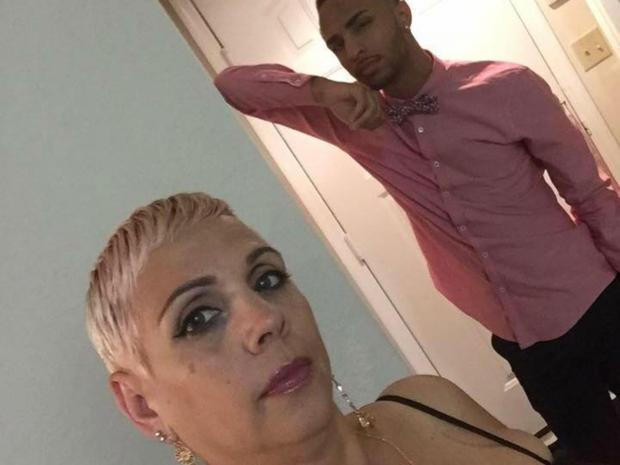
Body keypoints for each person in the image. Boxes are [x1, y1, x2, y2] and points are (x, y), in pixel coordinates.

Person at [212, 0, 620, 462]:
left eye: (361, 24)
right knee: (597, 454)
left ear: (401, 13)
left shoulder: (506, 86)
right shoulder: (351, 122)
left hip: (598, 301)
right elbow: (233, 86)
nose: (353, 50)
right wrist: (322, 90)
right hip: (524, 343)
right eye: (336, 43)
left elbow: (590, 191)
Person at [85, 192, 553, 465]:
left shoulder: (428, 401)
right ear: (142, 405)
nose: (266, 318)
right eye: (199, 319)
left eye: (268, 280)